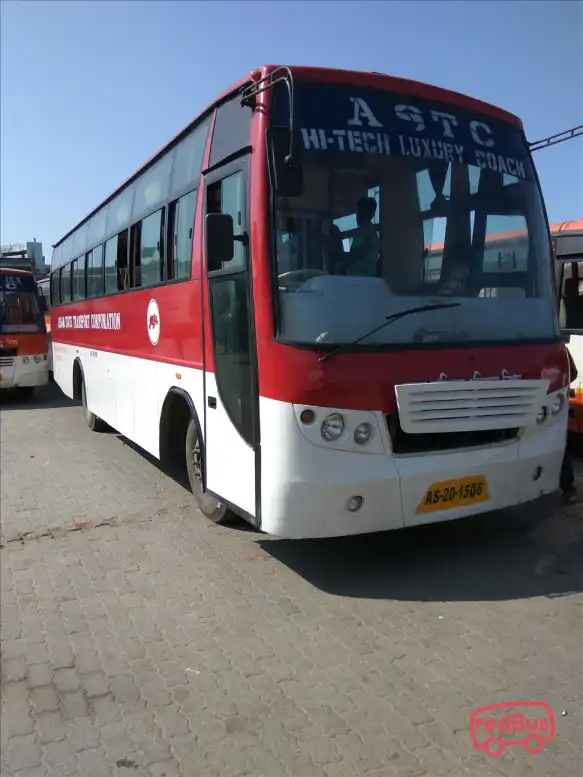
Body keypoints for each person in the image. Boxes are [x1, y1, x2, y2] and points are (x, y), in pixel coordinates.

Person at [560, 347, 578, 503]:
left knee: (559, 445)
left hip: (551, 404)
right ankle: (568, 488)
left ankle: (568, 487)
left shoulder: (560, 350)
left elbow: (573, 373)